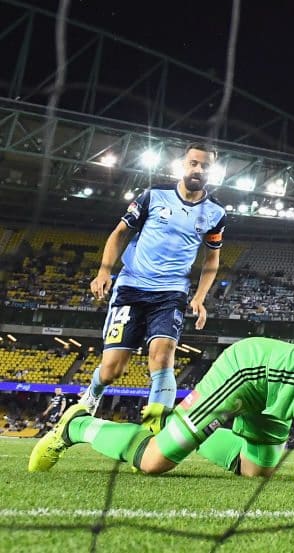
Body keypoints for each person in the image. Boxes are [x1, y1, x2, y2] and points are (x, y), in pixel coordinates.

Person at [29, 338, 294, 489]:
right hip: (251, 370)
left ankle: (174, 424)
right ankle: (79, 425)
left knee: (256, 472)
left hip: (275, 405)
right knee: (153, 464)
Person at [80, 142, 226, 433]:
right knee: (112, 370)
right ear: (183, 165)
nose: (198, 169)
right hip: (132, 286)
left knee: (162, 357)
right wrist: (104, 271)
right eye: (193, 163)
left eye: (205, 165)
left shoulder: (215, 214)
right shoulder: (153, 196)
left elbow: (212, 259)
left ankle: (156, 428)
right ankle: (91, 396)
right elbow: (119, 232)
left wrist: (199, 297)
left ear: (212, 171)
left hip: (171, 293)